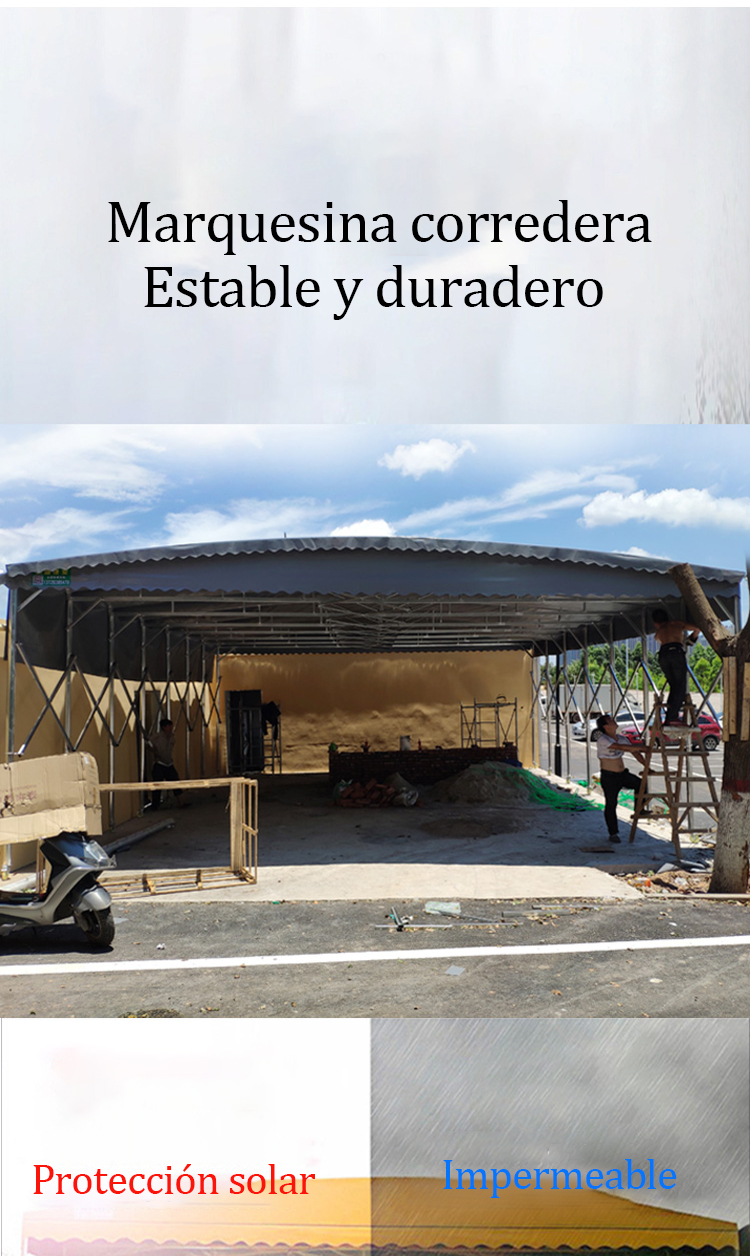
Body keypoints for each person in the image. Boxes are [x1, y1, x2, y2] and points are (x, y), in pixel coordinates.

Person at [595, 713, 646, 843]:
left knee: (641, 784)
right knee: (611, 803)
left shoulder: (621, 738)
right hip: (609, 776)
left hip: (622, 773)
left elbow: (635, 753)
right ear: (605, 726)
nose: (614, 721)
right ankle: (613, 833)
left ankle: (639, 809)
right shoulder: (603, 739)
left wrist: (646, 766)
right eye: (610, 721)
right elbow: (621, 748)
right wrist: (642, 747)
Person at [652, 609, 700, 726]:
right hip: (676, 652)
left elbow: (658, 639)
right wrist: (691, 639)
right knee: (680, 686)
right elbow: (697, 628)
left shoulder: (658, 632)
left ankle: (670, 716)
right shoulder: (677, 624)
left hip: (663, 655)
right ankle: (672, 717)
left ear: (656, 623)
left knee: (674, 685)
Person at [146, 717, 181, 810]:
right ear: (164, 727)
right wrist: (153, 750)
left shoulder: (172, 736)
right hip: (160, 763)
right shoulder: (157, 737)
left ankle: (180, 802)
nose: (171, 728)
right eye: (169, 726)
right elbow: (148, 744)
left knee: (176, 783)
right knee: (157, 785)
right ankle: (155, 805)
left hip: (169, 763)